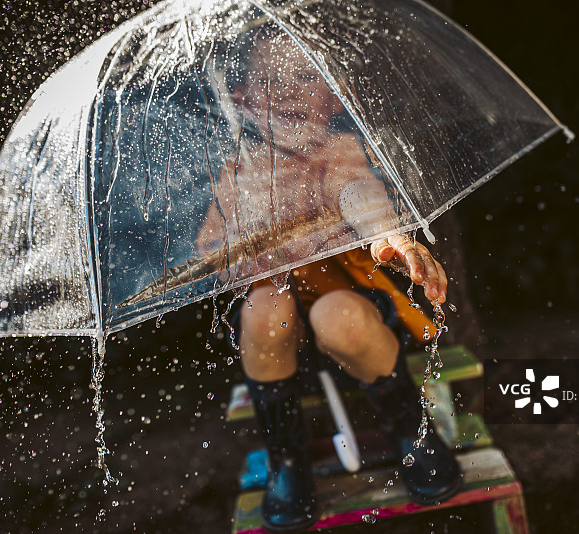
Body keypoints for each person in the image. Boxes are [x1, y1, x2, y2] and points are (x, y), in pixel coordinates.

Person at [196, 29, 461, 533]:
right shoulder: (235, 173)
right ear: (242, 100)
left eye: (303, 77)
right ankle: (287, 460)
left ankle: (411, 428)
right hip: (277, 342)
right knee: (263, 304)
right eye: (269, 81)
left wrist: (389, 236)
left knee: (335, 314)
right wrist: (236, 253)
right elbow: (212, 254)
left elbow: (358, 193)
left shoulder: (334, 151)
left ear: (331, 95)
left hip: (351, 318)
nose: (288, 92)